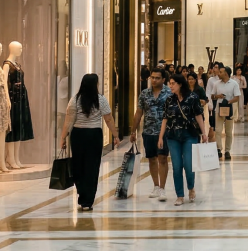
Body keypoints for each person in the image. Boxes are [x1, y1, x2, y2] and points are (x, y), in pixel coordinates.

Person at [59, 74, 119, 211]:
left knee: (78, 165)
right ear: (95, 85)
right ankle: (88, 200)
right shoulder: (101, 99)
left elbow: (68, 121)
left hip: (78, 135)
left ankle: (82, 194)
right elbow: (108, 119)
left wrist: (63, 138)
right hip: (94, 135)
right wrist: (115, 135)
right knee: (92, 167)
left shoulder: (75, 100)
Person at [158, 73, 209, 207]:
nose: (170, 86)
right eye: (169, 83)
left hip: (189, 135)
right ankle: (179, 195)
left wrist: (204, 133)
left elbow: (199, 116)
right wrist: (161, 137)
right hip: (173, 136)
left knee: (188, 164)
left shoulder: (192, 97)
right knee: (176, 166)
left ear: (180, 84)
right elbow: (165, 118)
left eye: (173, 83)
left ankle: (191, 187)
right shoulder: (169, 100)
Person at [131, 67, 171, 201]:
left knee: (163, 158)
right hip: (148, 131)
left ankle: (163, 188)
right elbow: (139, 112)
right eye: (152, 77)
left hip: (164, 131)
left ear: (163, 79)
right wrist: (133, 130)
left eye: (157, 78)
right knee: (152, 158)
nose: (154, 80)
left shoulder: (169, 93)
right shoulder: (144, 94)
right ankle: (156, 186)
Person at [210, 66, 241, 161]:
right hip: (219, 109)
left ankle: (227, 150)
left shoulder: (234, 83)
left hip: (229, 109)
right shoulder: (216, 84)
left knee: (229, 131)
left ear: (226, 74)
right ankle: (219, 149)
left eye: (220, 72)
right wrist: (217, 96)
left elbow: (237, 97)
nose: (218, 73)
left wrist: (229, 102)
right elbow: (212, 96)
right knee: (218, 130)